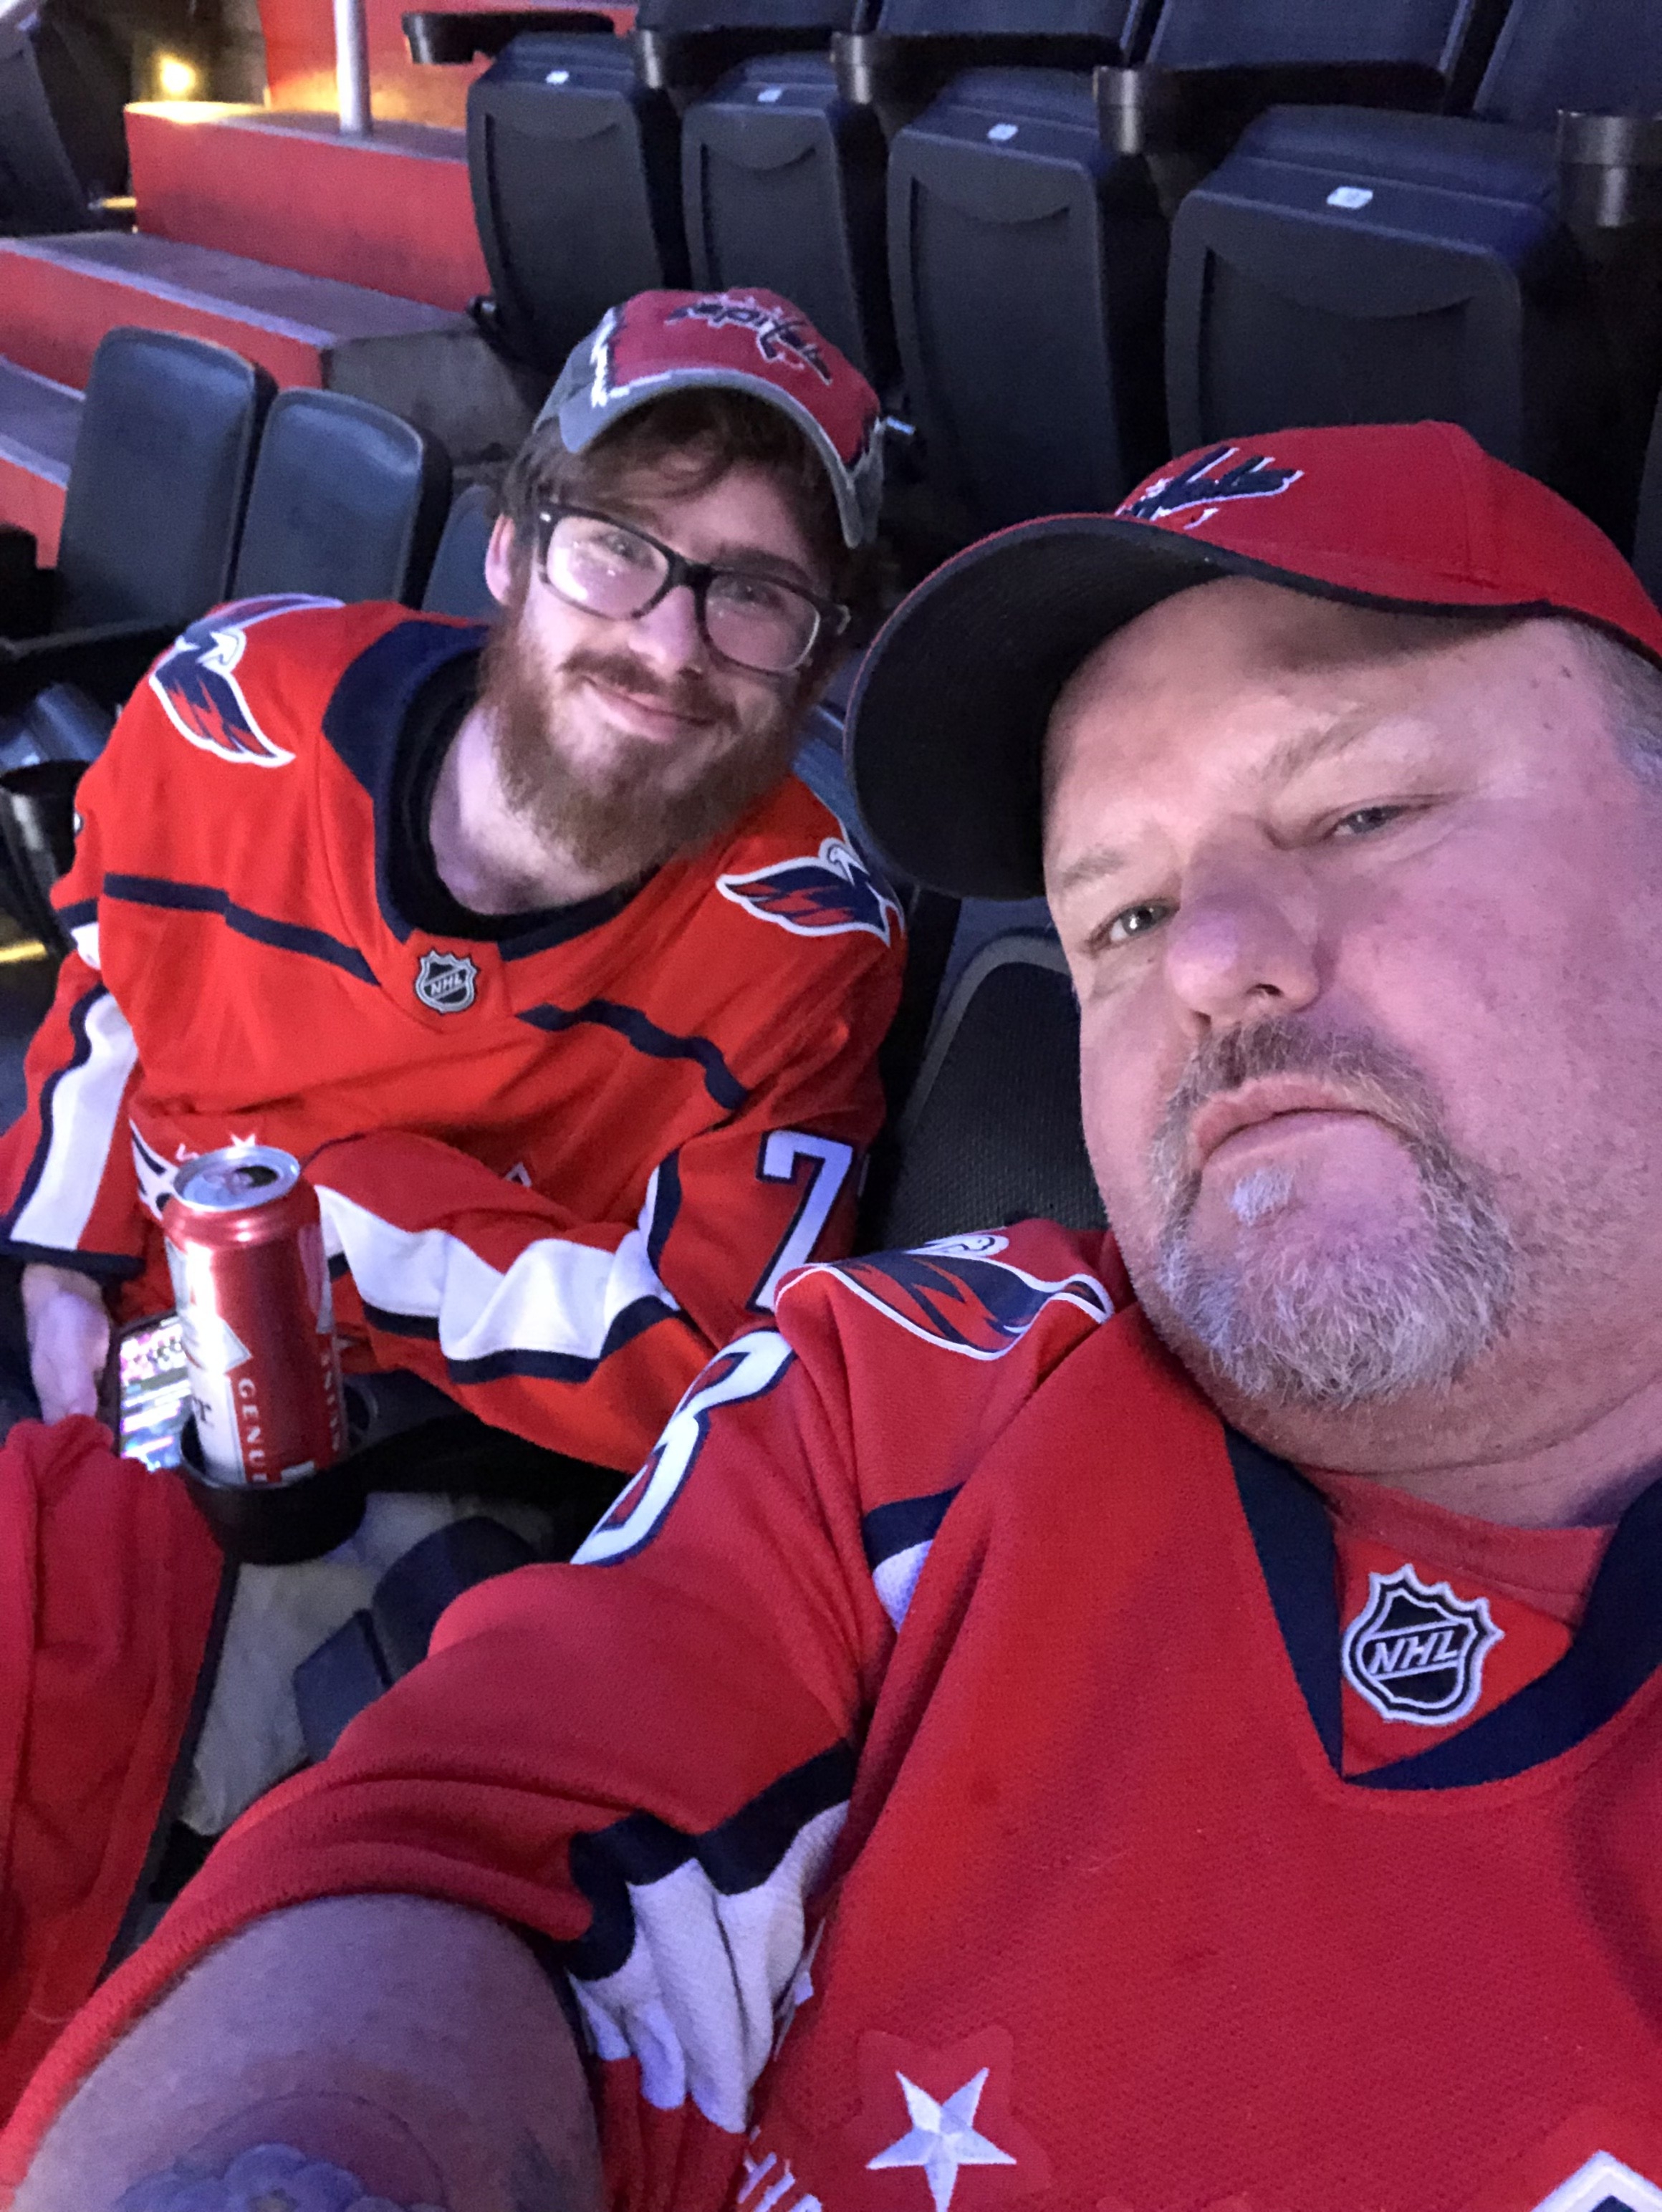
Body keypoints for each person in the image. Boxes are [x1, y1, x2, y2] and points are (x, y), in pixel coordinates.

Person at [16, 419, 1662, 2212]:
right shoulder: (912, 1389)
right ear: (511, 548)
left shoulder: (792, 931)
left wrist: (347, 1209)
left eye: (1361, 812)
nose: (1202, 959)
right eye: (1118, 914)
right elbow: (464, 1842)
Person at [0, 284, 902, 1480]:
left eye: (755, 594)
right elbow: (112, 985)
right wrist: (61, 1268)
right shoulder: (228, 707)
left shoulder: (805, 938)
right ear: (511, 551)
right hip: (108, 1332)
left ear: (819, 663)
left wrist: (323, 1220)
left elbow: (713, 1368)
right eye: (616, 547)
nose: (669, 646)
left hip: (424, 1457)